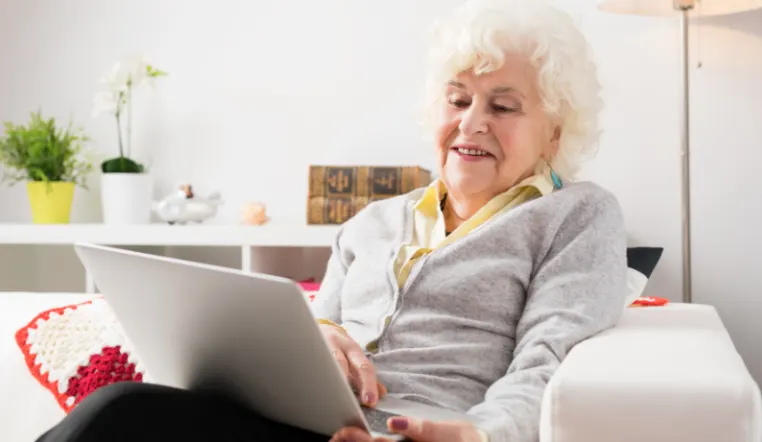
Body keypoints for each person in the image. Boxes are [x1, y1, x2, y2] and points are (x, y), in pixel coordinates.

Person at [36, 0, 627, 441]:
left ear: (555, 128)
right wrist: (322, 340)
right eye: (458, 99)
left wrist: (479, 435)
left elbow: (548, 361)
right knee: (118, 410)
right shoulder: (371, 223)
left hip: (420, 433)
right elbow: (313, 330)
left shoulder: (576, 215)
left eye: (502, 106)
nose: (472, 122)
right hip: (295, 424)